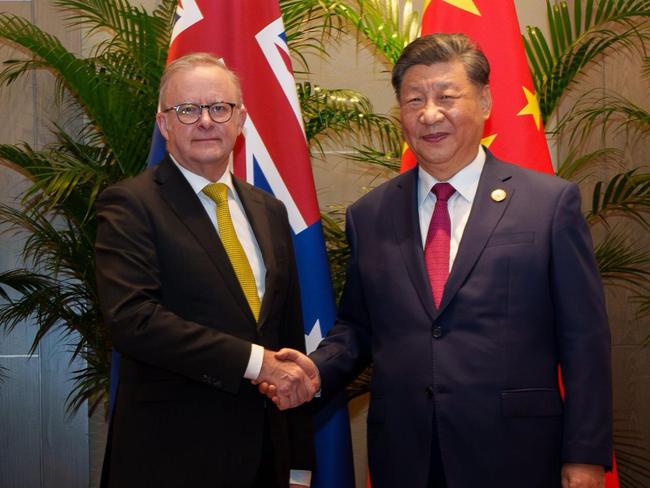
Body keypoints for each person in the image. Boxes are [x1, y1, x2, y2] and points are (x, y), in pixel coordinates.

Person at [264, 34, 613, 488]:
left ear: (485, 101)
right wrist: (317, 370)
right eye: (414, 100)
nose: (430, 114)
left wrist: (585, 456)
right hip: (406, 457)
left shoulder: (548, 204)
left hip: (517, 454)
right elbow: (359, 327)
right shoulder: (370, 215)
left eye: (446, 97)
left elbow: (584, 339)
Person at [95, 53, 318, 488]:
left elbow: (286, 340)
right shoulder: (131, 205)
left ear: (240, 120)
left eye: (220, 108)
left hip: (264, 460)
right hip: (170, 460)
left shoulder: (268, 211)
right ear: (164, 124)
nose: (206, 121)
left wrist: (298, 465)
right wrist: (257, 364)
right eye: (188, 110)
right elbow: (132, 320)